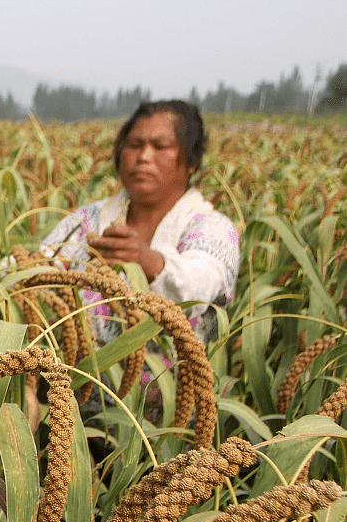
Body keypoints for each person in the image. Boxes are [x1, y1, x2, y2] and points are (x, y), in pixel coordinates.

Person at [38, 100, 239, 346]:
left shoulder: (212, 228)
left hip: (171, 383)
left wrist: (151, 263)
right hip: (74, 382)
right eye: (134, 145)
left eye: (160, 146)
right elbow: (29, 268)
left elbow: (200, 285)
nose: (143, 156)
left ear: (191, 162)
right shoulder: (89, 220)